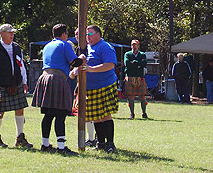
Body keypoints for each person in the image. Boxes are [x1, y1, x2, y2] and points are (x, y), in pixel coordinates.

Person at [32, 23, 83, 155]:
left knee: (48, 115)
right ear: (65, 34)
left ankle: (45, 144)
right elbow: (74, 62)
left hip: (44, 78)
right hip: (58, 79)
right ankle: (61, 147)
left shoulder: (47, 46)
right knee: (61, 114)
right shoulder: (65, 44)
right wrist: (81, 57)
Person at [70, 25, 118, 153]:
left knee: (106, 115)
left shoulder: (105, 47)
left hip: (105, 85)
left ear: (98, 34)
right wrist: (75, 71)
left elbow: (110, 64)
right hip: (90, 88)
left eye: (90, 34)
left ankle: (110, 144)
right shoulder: (87, 48)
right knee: (96, 116)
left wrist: (92, 69)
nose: (87, 37)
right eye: (86, 35)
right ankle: (101, 143)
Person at [123, 39, 149, 119]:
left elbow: (144, 63)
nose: (134, 46)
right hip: (130, 76)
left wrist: (134, 62)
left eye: (136, 45)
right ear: (131, 46)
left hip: (140, 77)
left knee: (142, 96)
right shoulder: (127, 54)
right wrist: (138, 64)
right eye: (133, 45)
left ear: (138, 46)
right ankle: (132, 114)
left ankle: (144, 113)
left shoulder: (142, 54)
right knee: (131, 96)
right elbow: (127, 64)